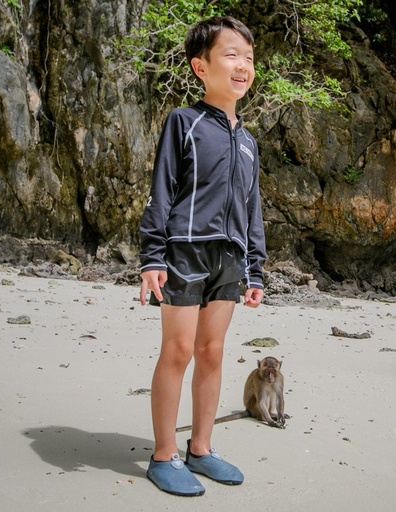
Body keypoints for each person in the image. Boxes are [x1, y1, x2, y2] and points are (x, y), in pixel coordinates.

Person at [138, 16, 265, 497]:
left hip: (230, 259)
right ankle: (164, 454)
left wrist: (255, 267)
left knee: (213, 352)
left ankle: (201, 448)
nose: (242, 66)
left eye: (249, 59)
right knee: (179, 350)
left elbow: (253, 211)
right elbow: (161, 192)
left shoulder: (249, 142)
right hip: (184, 253)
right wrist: (152, 257)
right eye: (231, 55)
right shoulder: (183, 123)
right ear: (201, 66)